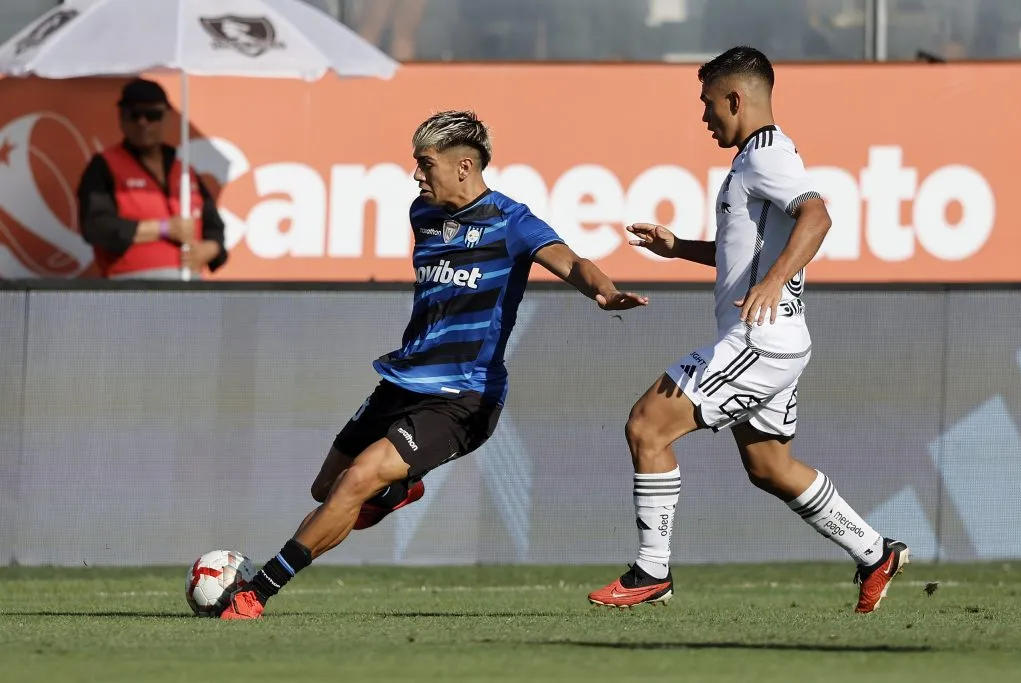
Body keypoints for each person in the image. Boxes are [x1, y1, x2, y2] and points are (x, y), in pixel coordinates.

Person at [220, 110, 649, 620]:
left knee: (357, 482)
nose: (417, 175)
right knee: (327, 490)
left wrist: (602, 290)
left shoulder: (511, 221)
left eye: (425, 164)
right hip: (402, 379)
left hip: (464, 398)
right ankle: (400, 489)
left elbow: (569, 260)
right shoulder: (421, 215)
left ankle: (257, 591)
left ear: (464, 166)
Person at [587, 47, 908, 614]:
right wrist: (681, 248)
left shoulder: (767, 156)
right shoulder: (756, 160)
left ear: (736, 98)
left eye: (709, 104)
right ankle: (875, 552)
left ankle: (650, 572)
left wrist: (776, 282)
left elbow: (818, 215)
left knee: (647, 427)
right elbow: (751, 254)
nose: (704, 116)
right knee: (768, 465)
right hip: (778, 339)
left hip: (759, 340)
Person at [77, 78, 227, 280]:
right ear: (121, 118)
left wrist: (210, 249)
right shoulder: (104, 166)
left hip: (189, 287)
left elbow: (214, 226)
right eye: (134, 115)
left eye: (152, 115)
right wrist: (163, 229)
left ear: (168, 118)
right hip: (132, 289)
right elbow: (96, 226)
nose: (143, 123)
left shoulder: (184, 171)